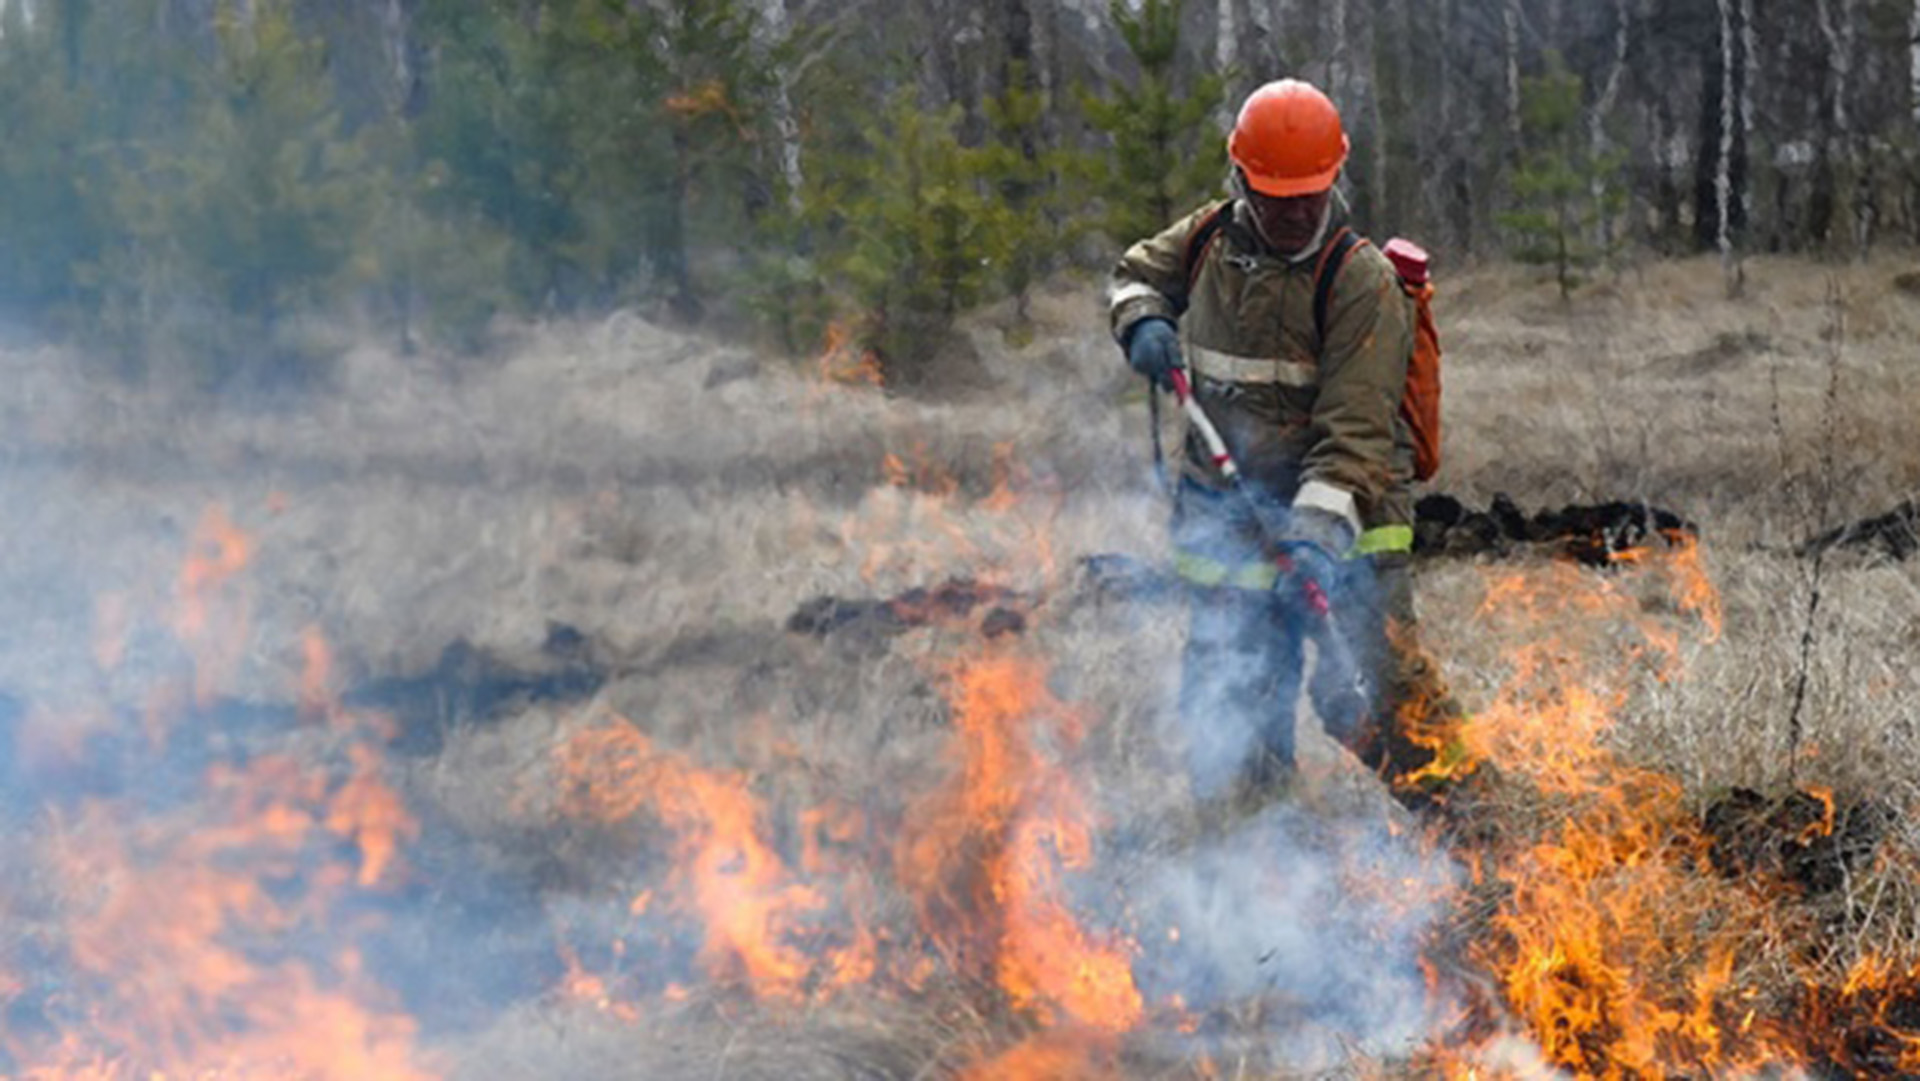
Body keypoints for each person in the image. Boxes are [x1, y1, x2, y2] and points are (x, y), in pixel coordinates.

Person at [1107, 78, 1454, 812]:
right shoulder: (1204, 240)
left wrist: (1314, 540)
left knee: (1372, 696)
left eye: (1311, 195)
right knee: (1234, 700)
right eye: (1276, 197)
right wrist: (1142, 322)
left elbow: (1355, 438)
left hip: (1348, 520)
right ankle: (1252, 858)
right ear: (1242, 182)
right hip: (1228, 517)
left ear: (1335, 181)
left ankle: (1483, 835)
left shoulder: (1360, 281)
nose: (1296, 213)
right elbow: (1135, 274)